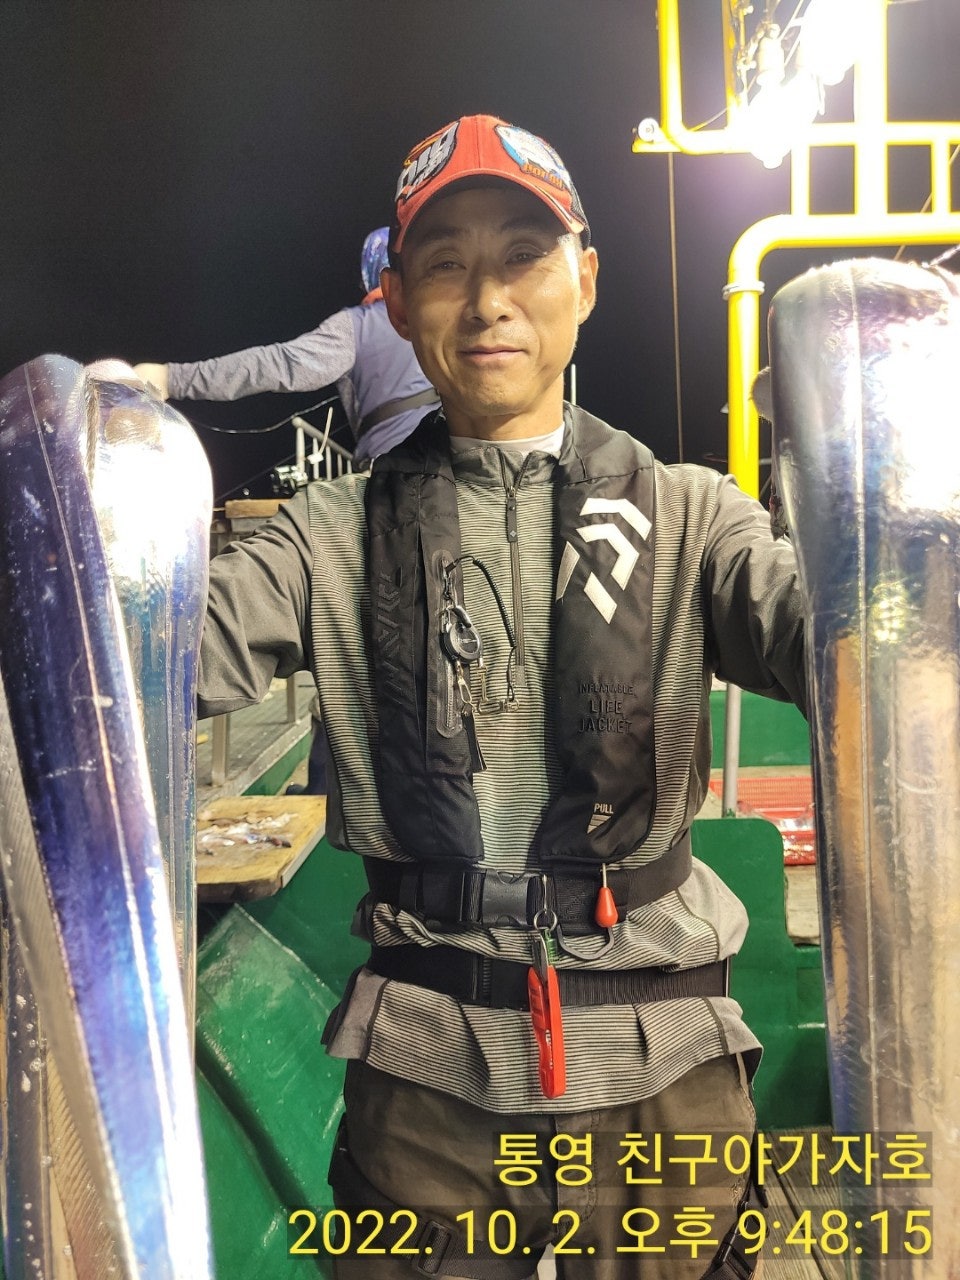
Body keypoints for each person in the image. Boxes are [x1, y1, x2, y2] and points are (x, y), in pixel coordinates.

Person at [196, 114, 806, 1280]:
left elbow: (836, 640)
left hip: (667, 1068)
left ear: (586, 279)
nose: (487, 301)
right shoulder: (322, 536)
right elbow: (161, 656)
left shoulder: (694, 513)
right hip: (427, 1080)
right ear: (395, 302)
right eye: (445, 264)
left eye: (524, 256)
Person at [132, 226, 440, 462]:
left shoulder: (357, 326)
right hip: (456, 471)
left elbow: (277, 366)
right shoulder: (443, 316)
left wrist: (171, 378)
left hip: (398, 479)